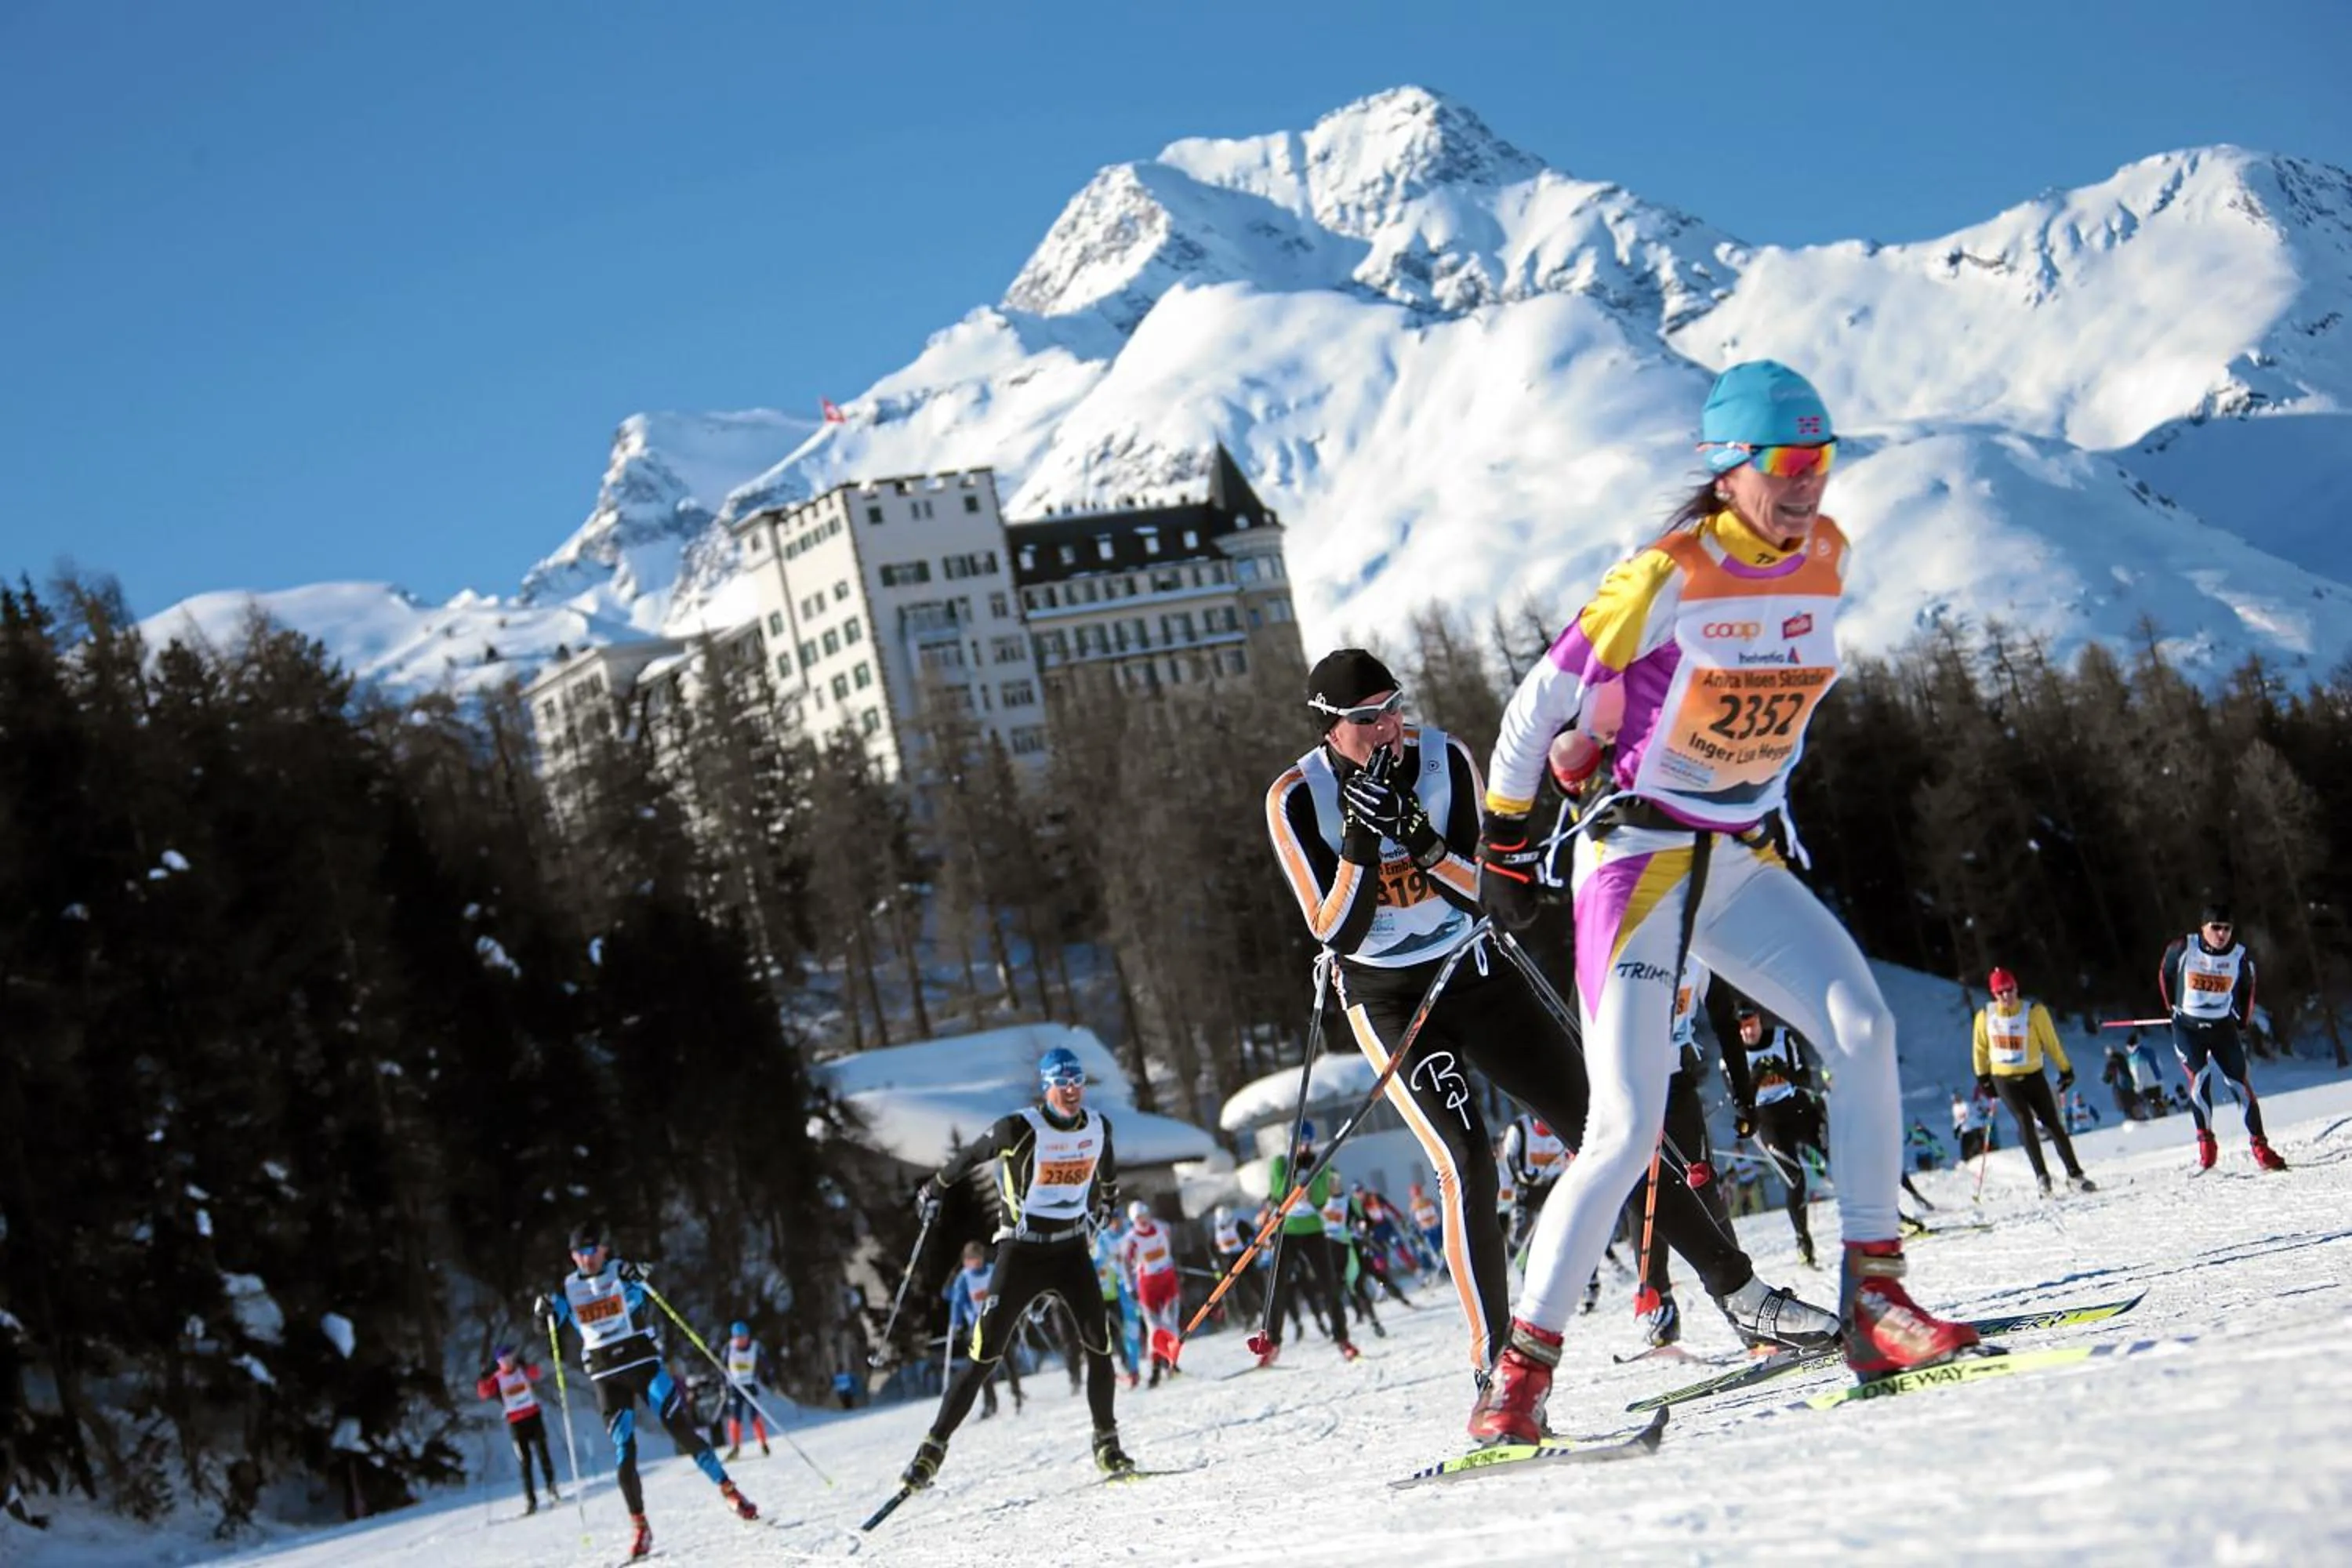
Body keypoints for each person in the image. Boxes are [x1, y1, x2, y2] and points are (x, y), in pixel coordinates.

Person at [1468, 361, 1982, 1443]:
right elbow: (1538, 702)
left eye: (1824, 463)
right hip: (1639, 861)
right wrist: (1507, 836)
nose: (1810, 487)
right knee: (1625, 1129)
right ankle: (1517, 1381)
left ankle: (1876, 1300)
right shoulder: (1669, 570)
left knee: (1865, 1027)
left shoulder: (1827, 558)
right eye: (1791, 466)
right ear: (1729, 470)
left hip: (1736, 857)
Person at [1265, 648, 1832, 1388]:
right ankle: (1497, 1370)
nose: (1389, 729)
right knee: (1465, 1160)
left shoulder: (1442, 758)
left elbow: (1485, 895)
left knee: (1609, 1127)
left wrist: (1424, 840)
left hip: (1473, 969)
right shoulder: (1295, 799)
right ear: (1329, 729)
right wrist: (1364, 846)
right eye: (1367, 720)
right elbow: (1334, 929)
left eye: (1395, 707)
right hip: (1389, 999)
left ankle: (1743, 1295)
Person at [897, 1046, 1136, 1493]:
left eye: (1077, 1082)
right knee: (984, 1355)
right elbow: (969, 1156)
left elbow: (1108, 1180)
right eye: (1061, 1083)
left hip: (1069, 1253)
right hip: (1021, 1253)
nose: (1071, 1091)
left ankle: (1107, 1443)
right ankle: (931, 1451)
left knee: (1099, 1346)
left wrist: (1108, 1206)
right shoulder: (1020, 1128)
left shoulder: (1099, 1127)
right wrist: (934, 1188)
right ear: (1046, 1087)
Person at [537, 1225, 756, 1560]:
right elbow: (548, 1324)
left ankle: (730, 1491)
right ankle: (640, 1527)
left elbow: (643, 1277)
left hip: (643, 1364)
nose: (587, 1258)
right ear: (572, 1256)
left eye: (592, 1250)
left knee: (680, 1428)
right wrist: (544, 1313)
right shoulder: (568, 1289)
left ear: (603, 1250)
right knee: (624, 1452)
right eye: (580, 1253)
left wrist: (638, 1274)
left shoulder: (619, 1271)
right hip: (607, 1377)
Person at [2160, 905, 2286, 1172]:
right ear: (2203, 927)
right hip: (2188, 1028)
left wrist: (2242, 1019)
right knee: (2200, 1080)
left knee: (2239, 1083)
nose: (2221, 934)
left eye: (2227, 928)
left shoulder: (2240, 956)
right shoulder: (2184, 947)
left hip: (2221, 1028)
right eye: (2215, 927)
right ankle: (2206, 1146)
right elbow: (2165, 974)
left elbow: (2247, 988)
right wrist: (2171, 1006)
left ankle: (2260, 1147)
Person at [1972, 968, 2096, 1196]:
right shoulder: (1985, 1016)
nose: (2006, 997)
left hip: (2033, 1075)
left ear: (2016, 988)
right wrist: (1983, 1079)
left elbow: (2051, 1043)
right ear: (1993, 994)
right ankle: (2042, 1176)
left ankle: (2075, 1175)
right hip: (2004, 1079)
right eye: (2000, 993)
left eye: (2009, 990)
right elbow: (1980, 1050)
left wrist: (2065, 1068)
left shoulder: (2034, 1012)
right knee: (2024, 1121)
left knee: (2052, 1124)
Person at [1723, 1004, 1829, 1266]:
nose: (1748, 1032)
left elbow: (1806, 1079)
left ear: (1760, 1021)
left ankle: (1888, 1217)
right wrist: (1756, 1078)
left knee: (1841, 1157)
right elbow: (1739, 1104)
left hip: (1801, 1112)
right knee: (1795, 1180)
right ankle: (1803, 1240)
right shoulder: (1731, 1056)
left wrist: (1784, 1072)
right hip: (1770, 1123)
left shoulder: (1783, 1038)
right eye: (1742, 1028)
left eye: (1752, 1025)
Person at [1259, 1120, 1359, 1365]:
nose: (1303, 1148)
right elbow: (1279, 1194)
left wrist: (1316, 1173)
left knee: (1329, 1284)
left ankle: (1342, 1338)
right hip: (1287, 1230)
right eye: (1299, 1143)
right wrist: (1294, 1174)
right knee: (1277, 1287)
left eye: (1307, 1144)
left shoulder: (1318, 1162)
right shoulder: (1280, 1163)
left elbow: (1320, 1200)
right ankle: (1272, 1343)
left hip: (1313, 1228)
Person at [475, 1346, 561, 1515]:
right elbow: (484, 1393)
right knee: (525, 1462)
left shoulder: (522, 1370)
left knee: (544, 1455)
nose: (507, 1363)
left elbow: (536, 1373)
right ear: (499, 1363)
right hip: (516, 1423)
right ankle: (531, 1500)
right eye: (503, 1361)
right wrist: (483, 1378)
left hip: (533, 1416)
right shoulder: (497, 1378)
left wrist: (527, 1365)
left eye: (509, 1358)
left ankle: (552, 1489)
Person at [944, 1243, 1022, 1418]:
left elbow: (1007, 1288)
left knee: (1008, 1358)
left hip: (999, 1320)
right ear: (966, 1261)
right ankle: (990, 1402)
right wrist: (955, 1323)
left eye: (978, 1258)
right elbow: (957, 1301)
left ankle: (1017, 1394)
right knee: (981, 1365)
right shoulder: (963, 1278)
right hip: (977, 1324)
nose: (975, 1263)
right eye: (971, 1260)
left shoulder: (993, 1271)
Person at [1119, 1200, 1185, 1385]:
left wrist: (1176, 1267)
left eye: (1145, 1216)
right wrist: (1129, 1286)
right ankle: (1156, 1368)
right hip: (1147, 1285)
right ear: (1133, 1220)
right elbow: (1125, 1265)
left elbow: (1171, 1248)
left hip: (1168, 1280)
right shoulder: (1131, 1240)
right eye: (1139, 1218)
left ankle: (1171, 1362)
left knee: (1171, 1325)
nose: (1143, 1221)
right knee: (1155, 1329)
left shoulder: (1163, 1228)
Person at [1499, 1113, 1571, 1257]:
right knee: (1521, 1231)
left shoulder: (1562, 1126)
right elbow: (1509, 1157)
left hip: (1554, 1186)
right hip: (1528, 1188)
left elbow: (1571, 1154)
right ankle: (1511, 1266)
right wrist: (1521, 1176)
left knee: (1562, 1229)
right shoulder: (1520, 1129)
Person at [718, 1322, 773, 1459]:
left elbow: (766, 1363)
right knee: (735, 1418)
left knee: (755, 1416)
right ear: (734, 1337)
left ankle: (763, 1443)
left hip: (750, 1384)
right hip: (734, 1388)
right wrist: (722, 1385)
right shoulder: (728, 1348)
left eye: (744, 1337)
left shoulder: (756, 1347)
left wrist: (769, 1377)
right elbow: (721, 1368)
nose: (742, 1340)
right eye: (739, 1337)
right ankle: (735, 1447)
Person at [1407, 1179, 1446, 1272]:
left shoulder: (1429, 1201)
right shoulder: (1413, 1208)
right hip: (1427, 1231)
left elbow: (1440, 1212)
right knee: (1435, 1250)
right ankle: (1442, 1267)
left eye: (1418, 1193)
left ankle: (1445, 1265)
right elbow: (1413, 1223)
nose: (1418, 1197)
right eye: (1415, 1195)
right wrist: (1417, 1235)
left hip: (1437, 1228)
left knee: (1443, 1247)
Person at [2102, 1044, 2144, 1121]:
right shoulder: (2123, 1058)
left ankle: (2133, 1122)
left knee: (2127, 1109)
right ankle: (2141, 1119)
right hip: (2131, 1086)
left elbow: (2106, 1079)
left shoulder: (2111, 1062)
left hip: (2120, 1088)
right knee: (2134, 1105)